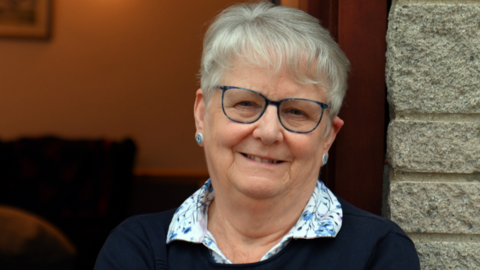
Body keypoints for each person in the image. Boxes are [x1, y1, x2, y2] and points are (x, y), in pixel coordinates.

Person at [94, 2, 420, 269]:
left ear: (327, 138)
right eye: (246, 103)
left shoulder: (378, 254)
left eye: (296, 111)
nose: (268, 132)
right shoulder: (137, 250)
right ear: (201, 115)